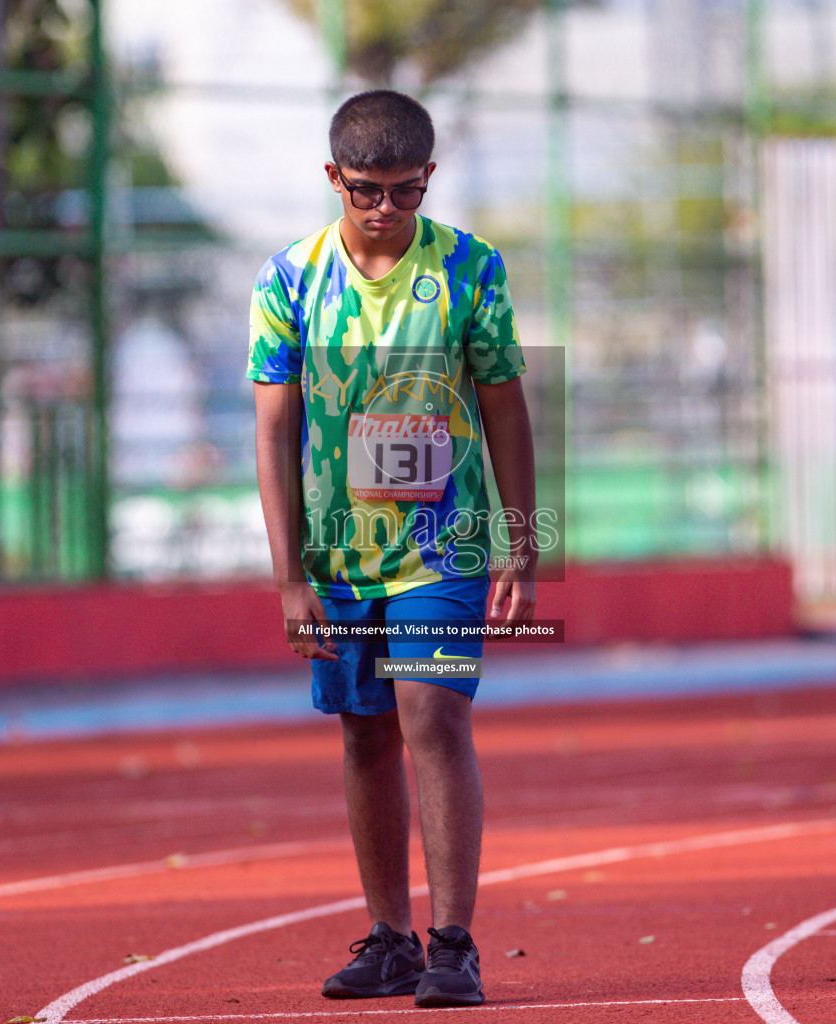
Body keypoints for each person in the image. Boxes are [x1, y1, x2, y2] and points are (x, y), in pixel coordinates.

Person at [249, 89, 537, 1007]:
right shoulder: (289, 279)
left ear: (430, 179)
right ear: (334, 178)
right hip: (335, 556)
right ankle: (390, 937)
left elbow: (506, 409)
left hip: (439, 546)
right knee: (364, 731)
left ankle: (454, 943)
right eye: (366, 190)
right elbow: (271, 431)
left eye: (405, 191)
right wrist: (290, 575)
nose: (385, 209)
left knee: (433, 717)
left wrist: (521, 544)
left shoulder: (471, 270)